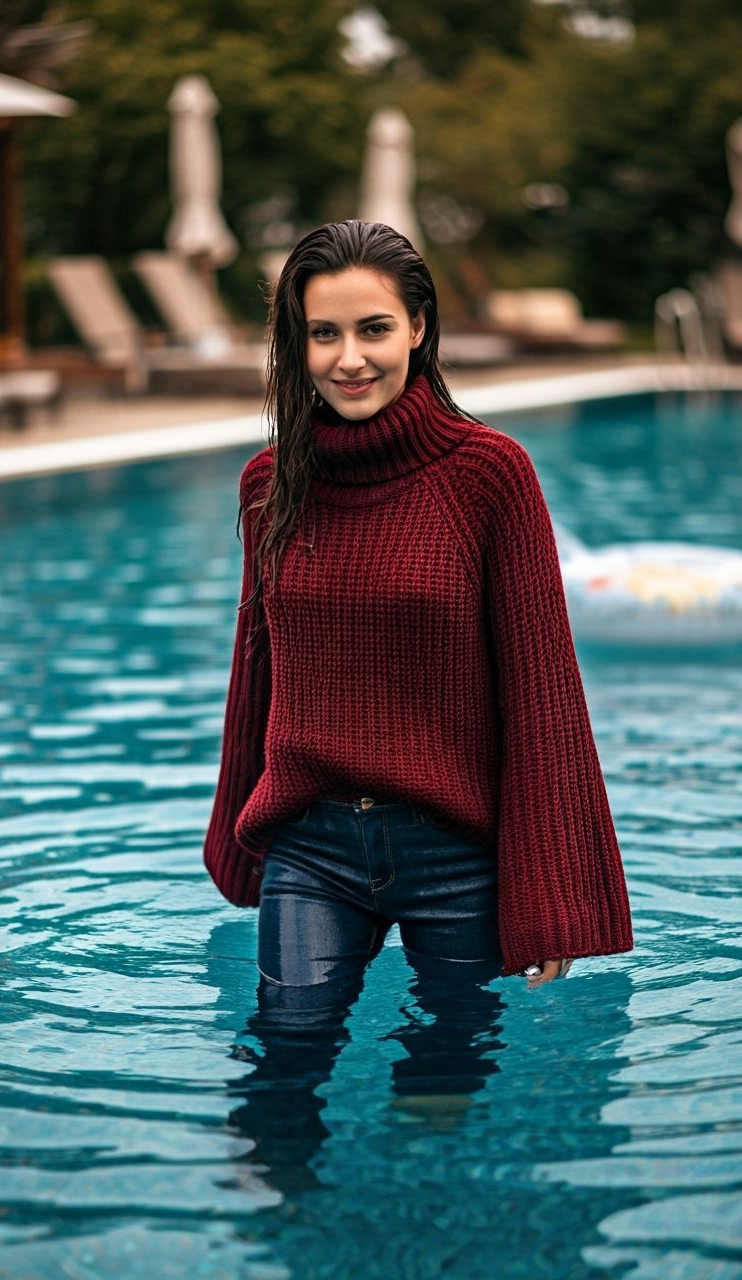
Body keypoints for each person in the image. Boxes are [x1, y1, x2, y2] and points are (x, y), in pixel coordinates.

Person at [204, 219, 634, 1025]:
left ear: (419, 328)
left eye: (373, 329)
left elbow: (540, 688)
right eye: (322, 334)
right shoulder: (269, 483)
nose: (349, 358)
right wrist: (234, 829)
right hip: (312, 844)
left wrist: (552, 888)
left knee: (445, 1080)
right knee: (283, 1058)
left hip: (455, 855)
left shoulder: (488, 473)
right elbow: (256, 669)